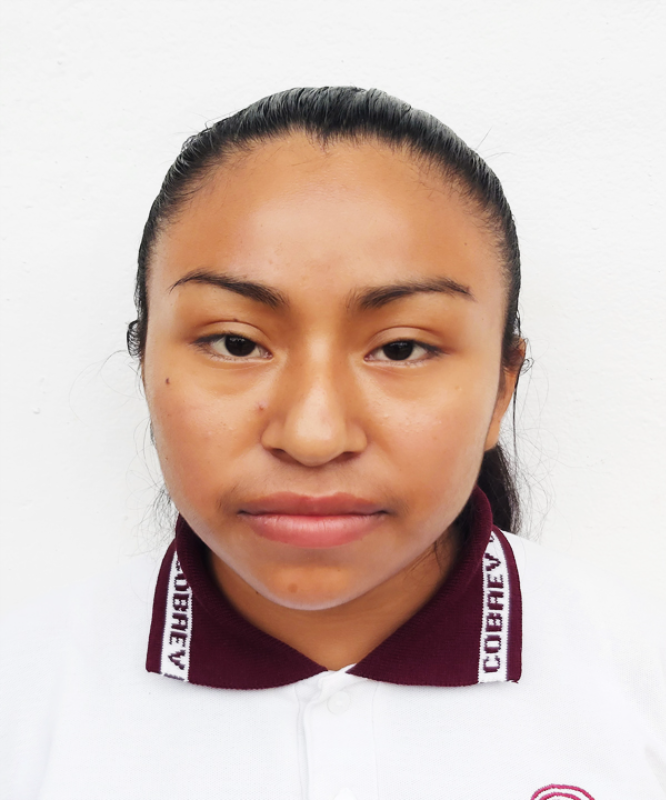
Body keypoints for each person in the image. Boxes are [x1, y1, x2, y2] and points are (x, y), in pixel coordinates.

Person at [1, 87, 664, 800]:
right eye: (235, 343)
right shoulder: (25, 695)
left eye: (402, 348)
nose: (313, 436)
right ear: (145, 365)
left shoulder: (638, 685)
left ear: (503, 387)